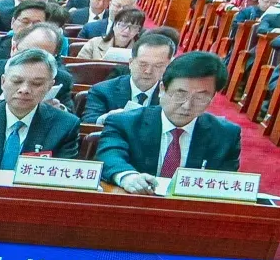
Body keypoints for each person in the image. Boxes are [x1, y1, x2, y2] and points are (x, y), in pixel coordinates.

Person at [98, 51, 243, 190]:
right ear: (162, 89)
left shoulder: (226, 135)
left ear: (212, 98)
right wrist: (128, 177)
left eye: (200, 97)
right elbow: (110, 155)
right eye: (180, 94)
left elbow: (224, 182)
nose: (187, 105)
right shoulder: (125, 123)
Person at [81, 29, 178, 122]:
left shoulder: (174, 96)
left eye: (158, 66)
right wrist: (107, 118)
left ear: (168, 67)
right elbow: (89, 123)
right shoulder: (103, 91)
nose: (148, 71)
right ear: (131, 63)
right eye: (143, 64)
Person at [74, 6, 148, 61]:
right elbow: (79, 67)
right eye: (123, 25)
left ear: (139, 30)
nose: (126, 31)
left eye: (133, 27)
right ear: (114, 26)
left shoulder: (141, 51)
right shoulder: (94, 43)